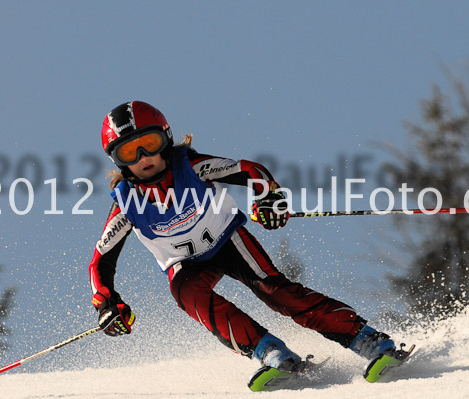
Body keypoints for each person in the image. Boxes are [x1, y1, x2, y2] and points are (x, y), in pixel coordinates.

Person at [88, 100, 401, 376]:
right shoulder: (127, 206)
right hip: (184, 264)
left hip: (227, 240)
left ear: (167, 139)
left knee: (274, 291)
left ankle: (367, 339)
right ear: (119, 160)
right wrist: (107, 304)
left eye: (151, 143)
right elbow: (100, 262)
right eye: (130, 151)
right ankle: (272, 353)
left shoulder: (193, 167)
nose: (144, 157)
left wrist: (269, 198)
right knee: (188, 295)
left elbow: (250, 171)